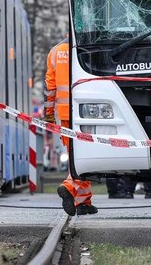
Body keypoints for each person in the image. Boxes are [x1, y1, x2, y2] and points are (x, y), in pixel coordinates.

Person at [45, 38, 97, 215]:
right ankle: (68, 186)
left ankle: (83, 202)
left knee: (76, 155)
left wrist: (49, 114)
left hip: (65, 113)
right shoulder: (85, 46)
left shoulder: (55, 52)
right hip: (86, 110)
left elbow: (50, 87)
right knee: (85, 155)